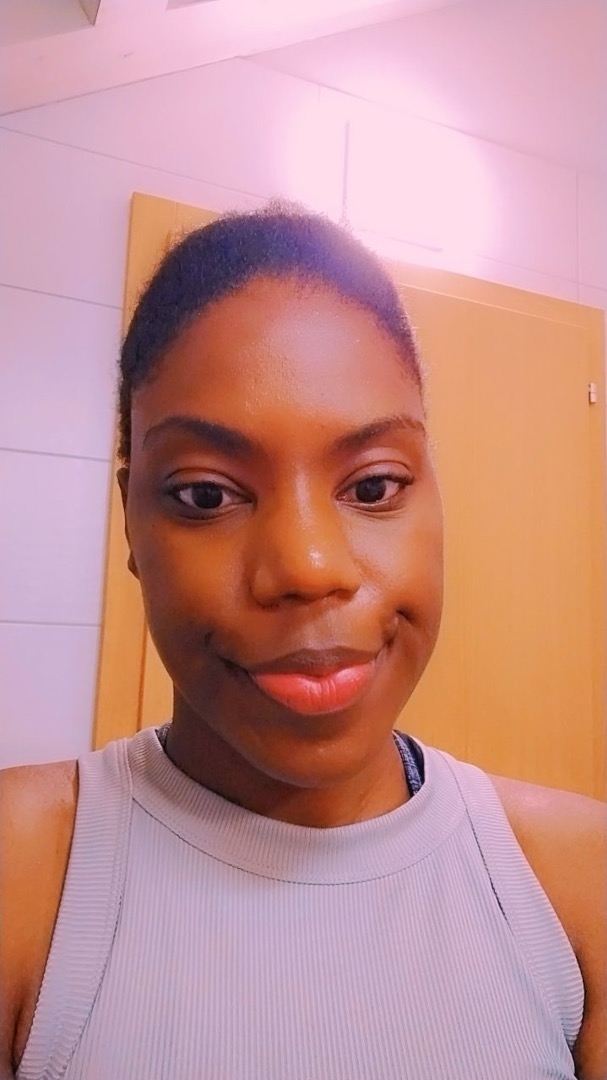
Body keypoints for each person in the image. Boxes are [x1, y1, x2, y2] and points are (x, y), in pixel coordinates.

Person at [0, 205, 605, 1080]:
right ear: (130, 523)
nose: (308, 567)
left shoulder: (577, 881)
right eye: (207, 495)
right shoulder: (27, 873)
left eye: (373, 486)